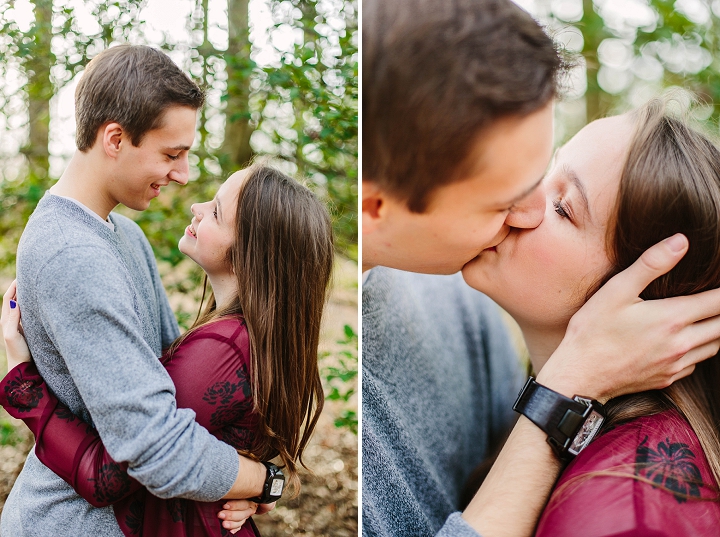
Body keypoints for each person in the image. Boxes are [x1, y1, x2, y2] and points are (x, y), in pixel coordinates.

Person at [361, 0, 720, 535]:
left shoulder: (632, 505)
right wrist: (571, 386)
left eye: (562, 205)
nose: (523, 208)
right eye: (538, 179)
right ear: (375, 204)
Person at [0, 44, 268, 535]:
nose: (184, 176)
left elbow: (183, 400)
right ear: (115, 139)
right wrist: (260, 479)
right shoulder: (71, 255)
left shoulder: (126, 235)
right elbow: (155, 448)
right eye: (171, 154)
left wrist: (232, 481)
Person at [1, 164, 334, 536]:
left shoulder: (221, 349)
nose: (197, 206)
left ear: (248, 256)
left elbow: (107, 476)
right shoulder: (252, 338)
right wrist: (262, 480)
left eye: (216, 212)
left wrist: (23, 381)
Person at [462, 99, 720, 535]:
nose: (516, 197)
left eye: (563, 207)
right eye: (547, 169)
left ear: (645, 301)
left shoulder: (624, 510)